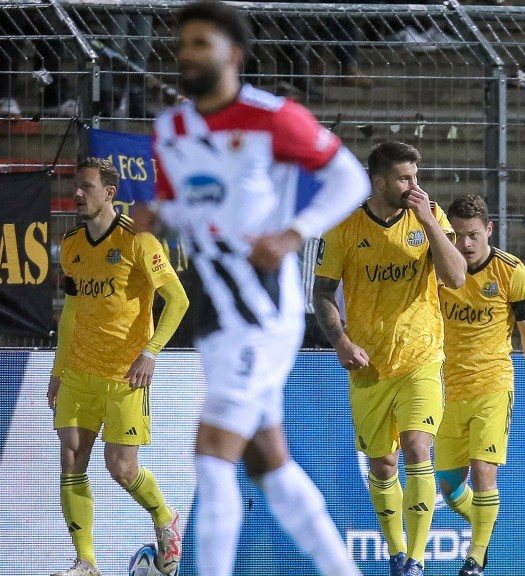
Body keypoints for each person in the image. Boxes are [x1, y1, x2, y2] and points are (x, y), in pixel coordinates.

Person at [134, 2, 370, 575]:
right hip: (217, 317)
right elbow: (186, 207)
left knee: (212, 458)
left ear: (232, 54)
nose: (186, 53)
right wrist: (158, 215)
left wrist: (294, 233)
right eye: (182, 42)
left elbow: (351, 179)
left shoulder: (274, 118)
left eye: (200, 43)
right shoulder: (172, 131)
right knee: (270, 464)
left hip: (264, 312)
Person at [312, 140, 466, 576]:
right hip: (368, 365)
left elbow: (455, 277)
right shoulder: (344, 227)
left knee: (419, 448)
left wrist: (429, 223)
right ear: (378, 181)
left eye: (416, 177)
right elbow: (322, 293)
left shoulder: (429, 216)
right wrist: (340, 340)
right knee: (383, 463)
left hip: (421, 357)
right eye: (404, 178)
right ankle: (397, 553)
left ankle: (416, 561)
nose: (414, 185)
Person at [49, 157, 189, 576]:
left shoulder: (138, 241)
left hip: (125, 375)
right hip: (78, 371)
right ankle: (86, 562)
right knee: (71, 458)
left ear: (109, 193)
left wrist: (150, 353)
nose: (76, 193)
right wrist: (58, 369)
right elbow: (71, 310)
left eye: (86, 187)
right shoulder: (72, 245)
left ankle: (165, 519)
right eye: (75, 186)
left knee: (120, 468)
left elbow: (178, 300)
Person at [434, 194, 525, 576]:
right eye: (456, 236)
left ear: (489, 229)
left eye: (471, 235)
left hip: (493, 385)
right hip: (448, 389)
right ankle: (485, 523)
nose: (464, 244)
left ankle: (476, 559)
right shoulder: (438, 271)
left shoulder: (511, 272)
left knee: (485, 473)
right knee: (450, 489)